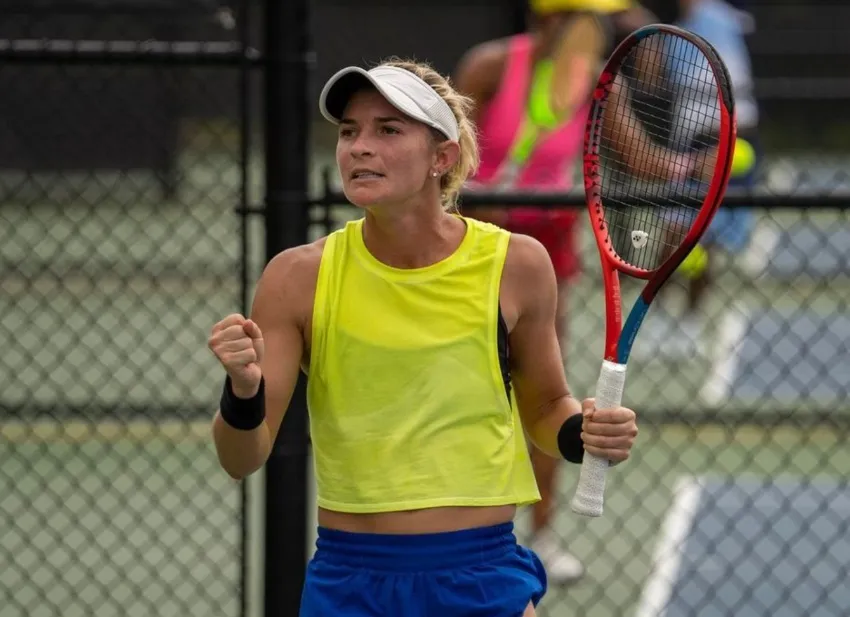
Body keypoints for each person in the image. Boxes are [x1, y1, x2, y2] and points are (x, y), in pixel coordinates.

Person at [207, 58, 639, 616]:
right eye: (349, 131)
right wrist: (242, 394)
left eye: (388, 129)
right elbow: (241, 457)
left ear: (443, 156)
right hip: (351, 579)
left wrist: (584, 434)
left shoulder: (517, 264)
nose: (359, 147)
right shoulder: (296, 278)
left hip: (481, 575)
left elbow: (545, 408)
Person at [453, 0, 657, 584]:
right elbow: (443, 157)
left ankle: (540, 534)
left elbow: (643, 160)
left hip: (547, 253)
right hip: (474, 245)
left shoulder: (595, 83)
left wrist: (693, 161)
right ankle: (471, 524)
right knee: (473, 390)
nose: (604, 29)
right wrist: (482, 195)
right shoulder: (490, 67)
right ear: (553, 20)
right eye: (593, 19)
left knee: (545, 392)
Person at [639, 0, 762, 359]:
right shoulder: (674, 33)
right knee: (674, 236)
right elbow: (651, 78)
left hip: (725, 143)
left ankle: (689, 325)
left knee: (707, 242)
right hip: (689, 148)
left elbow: (726, 78)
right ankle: (658, 320)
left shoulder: (719, 18)